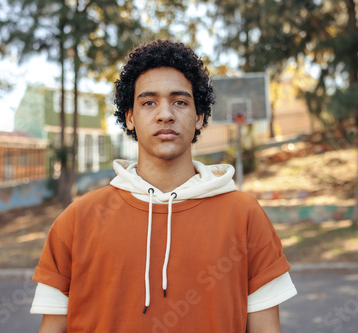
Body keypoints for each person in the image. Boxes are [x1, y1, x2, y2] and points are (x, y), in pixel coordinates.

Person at [30, 39, 297, 333]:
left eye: (180, 101)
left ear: (200, 117)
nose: (165, 114)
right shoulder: (77, 219)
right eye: (148, 102)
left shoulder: (246, 216)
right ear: (130, 118)